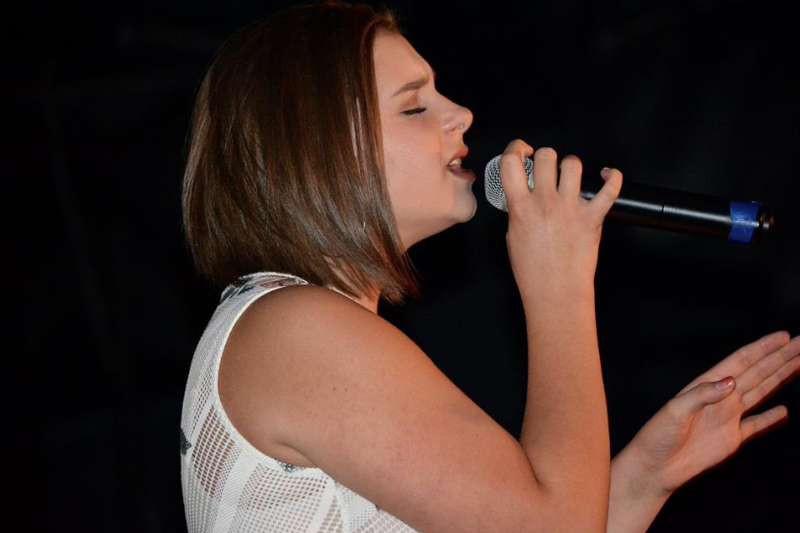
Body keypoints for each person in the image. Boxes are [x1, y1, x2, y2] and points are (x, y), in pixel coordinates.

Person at [179, 2, 800, 532]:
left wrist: (641, 480)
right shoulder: (293, 329)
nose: (461, 114)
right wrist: (558, 285)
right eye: (414, 107)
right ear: (321, 150)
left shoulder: (301, 330)